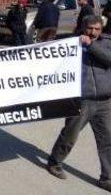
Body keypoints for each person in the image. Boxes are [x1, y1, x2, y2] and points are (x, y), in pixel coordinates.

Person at [46, 15, 111, 192]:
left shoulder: (106, 43)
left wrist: (90, 46)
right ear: (83, 27)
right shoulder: (72, 43)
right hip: (81, 100)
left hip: (104, 101)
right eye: (90, 28)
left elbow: (108, 60)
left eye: (97, 29)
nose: (93, 32)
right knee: (70, 134)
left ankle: (107, 178)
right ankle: (54, 162)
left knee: (107, 140)